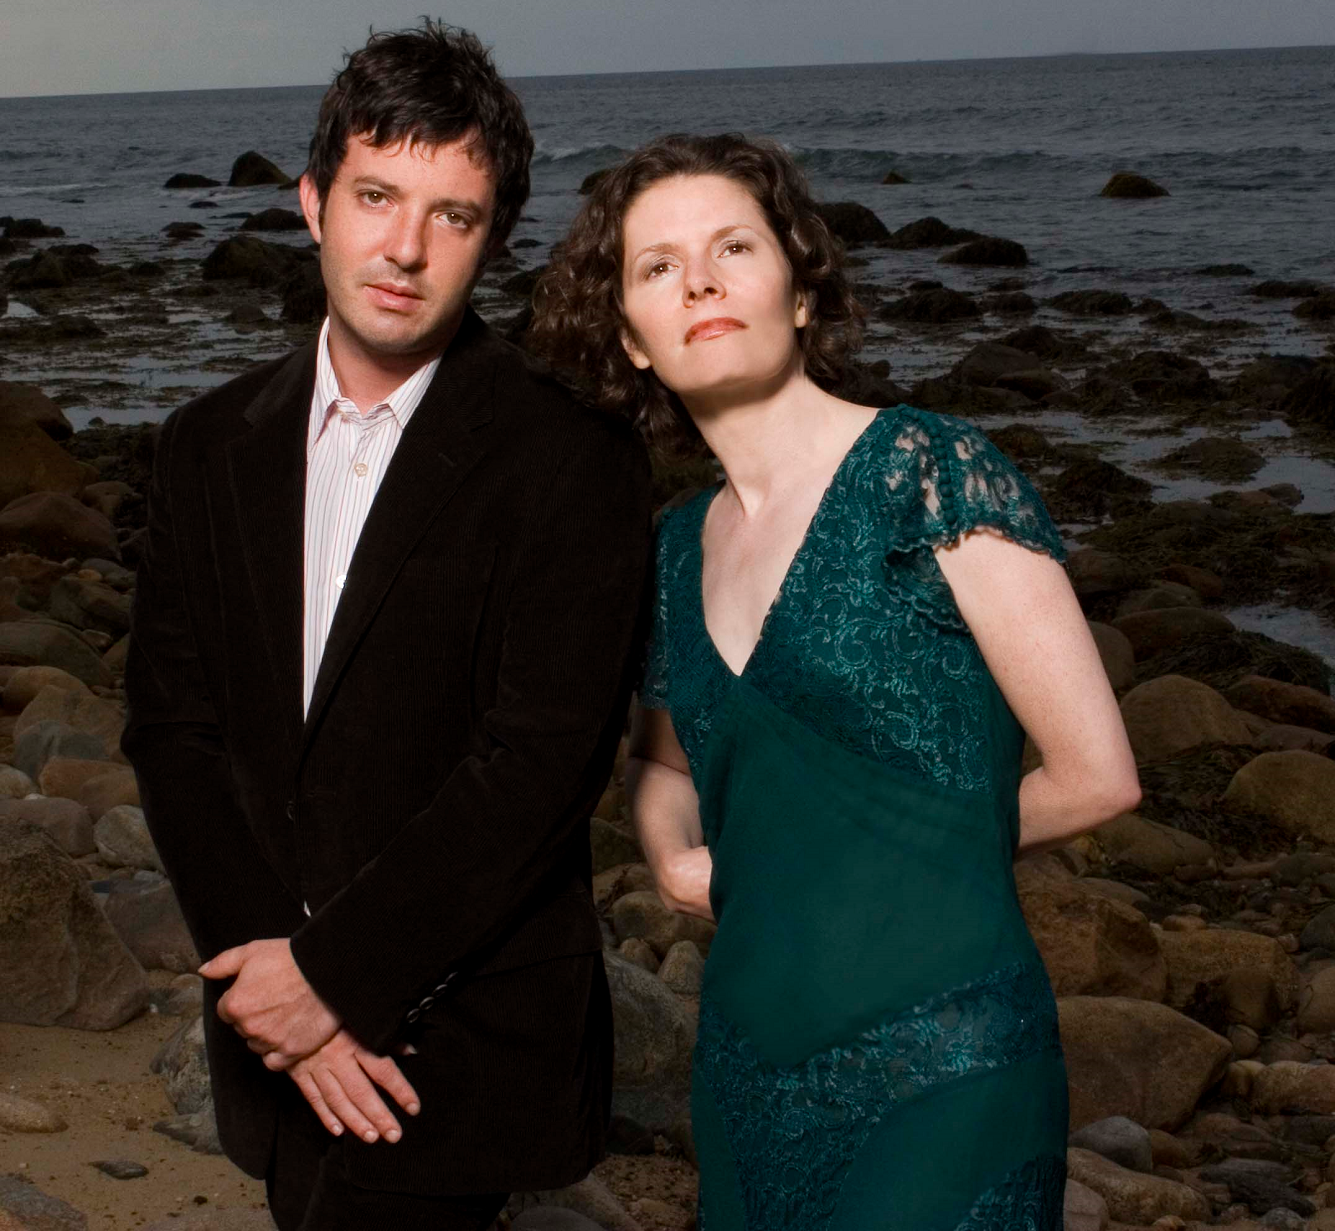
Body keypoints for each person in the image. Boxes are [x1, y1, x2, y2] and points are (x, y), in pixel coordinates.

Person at [529, 132, 1141, 1230]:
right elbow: (663, 763)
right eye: (658, 266)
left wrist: (860, 866)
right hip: (748, 1068)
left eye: (733, 247)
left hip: (949, 1057)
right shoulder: (673, 549)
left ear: (802, 291)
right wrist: (670, 855)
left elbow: (1097, 774)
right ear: (630, 337)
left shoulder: (929, 471)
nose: (700, 281)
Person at [122, 23, 652, 1231]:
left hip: (456, 1042)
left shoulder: (573, 457)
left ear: (493, 241)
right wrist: (275, 989)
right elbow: (172, 729)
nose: (406, 248)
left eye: (452, 216)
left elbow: (541, 765)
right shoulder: (204, 444)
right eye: (376, 197)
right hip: (271, 1029)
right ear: (313, 201)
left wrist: (332, 981)